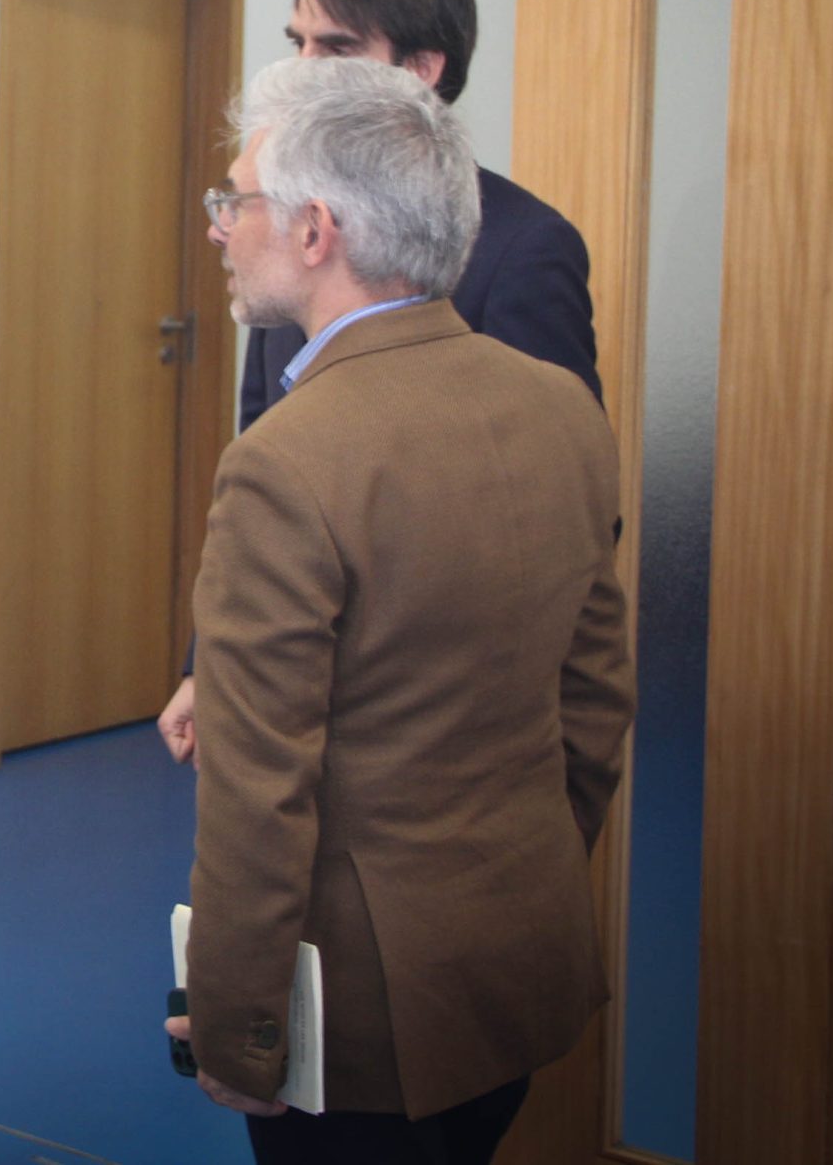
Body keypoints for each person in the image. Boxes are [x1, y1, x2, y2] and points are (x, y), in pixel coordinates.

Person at [163, 57, 634, 1164]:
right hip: (515, 966)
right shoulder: (559, 408)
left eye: (237, 200)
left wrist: (238, 1029)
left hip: (364, 1022)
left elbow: (258, 796)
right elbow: (594, 699)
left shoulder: (287, 461)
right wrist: (525, 865)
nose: (220, 228)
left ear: (314, 229)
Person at [159, 0, 599, 763]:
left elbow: (564, 499)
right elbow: (260, 477)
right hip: (287, 672)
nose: (302, 69)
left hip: (440, 721)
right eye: (297, 41)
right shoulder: (282, 235)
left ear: (421, 69)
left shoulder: (522, 245)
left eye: (336, 47)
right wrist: (211, 661)